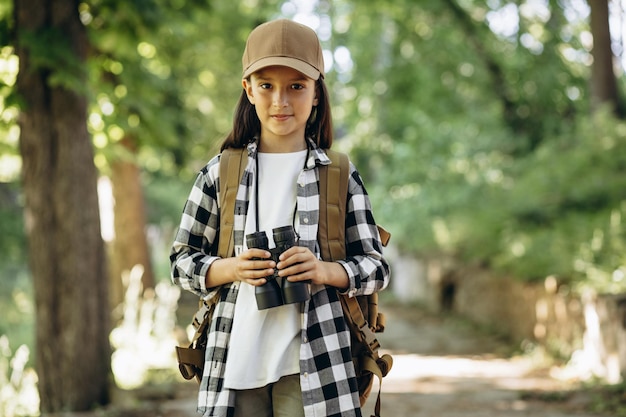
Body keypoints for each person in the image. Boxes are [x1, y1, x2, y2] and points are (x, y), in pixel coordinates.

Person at [170, 18, 390, 417]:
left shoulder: (338, 174)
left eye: (296, 86)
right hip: (234, 361)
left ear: (317, 94)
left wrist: (323, 271)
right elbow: (181, 261)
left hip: (318, 364)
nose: (280, 101)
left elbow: (376, 268)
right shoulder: (220, 173)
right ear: (248, 89)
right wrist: (230, 268)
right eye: (267, 85)